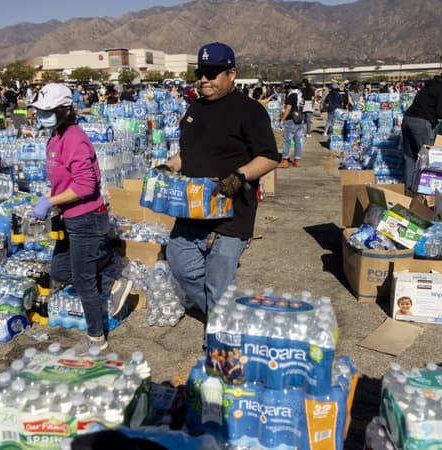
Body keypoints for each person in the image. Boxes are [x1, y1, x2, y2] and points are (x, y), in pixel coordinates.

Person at [157, 42, 280, 323]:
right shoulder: (194, 109)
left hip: (232, 213)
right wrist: (168, 166)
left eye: (212, 73)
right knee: (180, 263)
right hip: (193, 207)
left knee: (219, 282)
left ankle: (220, 338)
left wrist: (237, 178)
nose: (204, 79)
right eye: (201, 72)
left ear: (231, 74)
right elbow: (188, 153)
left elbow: (269, 157)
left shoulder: (250, 110)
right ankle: (222, 318)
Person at [28, 83, 131, 349]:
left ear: (65, 110)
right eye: (39, 111)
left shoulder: (73, 138)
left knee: (85, 281)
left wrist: (50, 201)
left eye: (47, 111)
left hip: (86, 217)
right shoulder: (55, 136)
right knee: (61, 270)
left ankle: (97, 338)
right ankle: (109, 276)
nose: (42, 115)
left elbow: (85, 185)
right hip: (68, 216)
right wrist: (53, 201)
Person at [401, 73, 442, 192]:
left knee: (410, 156)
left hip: (407, 120)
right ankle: (426, 189)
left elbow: (435, 103)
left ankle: (409, 188)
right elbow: (440, 111)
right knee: (427, 157)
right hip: (421, 124)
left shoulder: (424, 90)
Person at [278, 81, 304, 168]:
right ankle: (297, 160)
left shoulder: (292, 95)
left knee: (287, 141)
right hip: (299, 120)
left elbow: (288, 109)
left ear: (290, 88)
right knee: (298, 141)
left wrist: (282, 119)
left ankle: (284, 160)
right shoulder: (300, 96)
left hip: (291, 120)